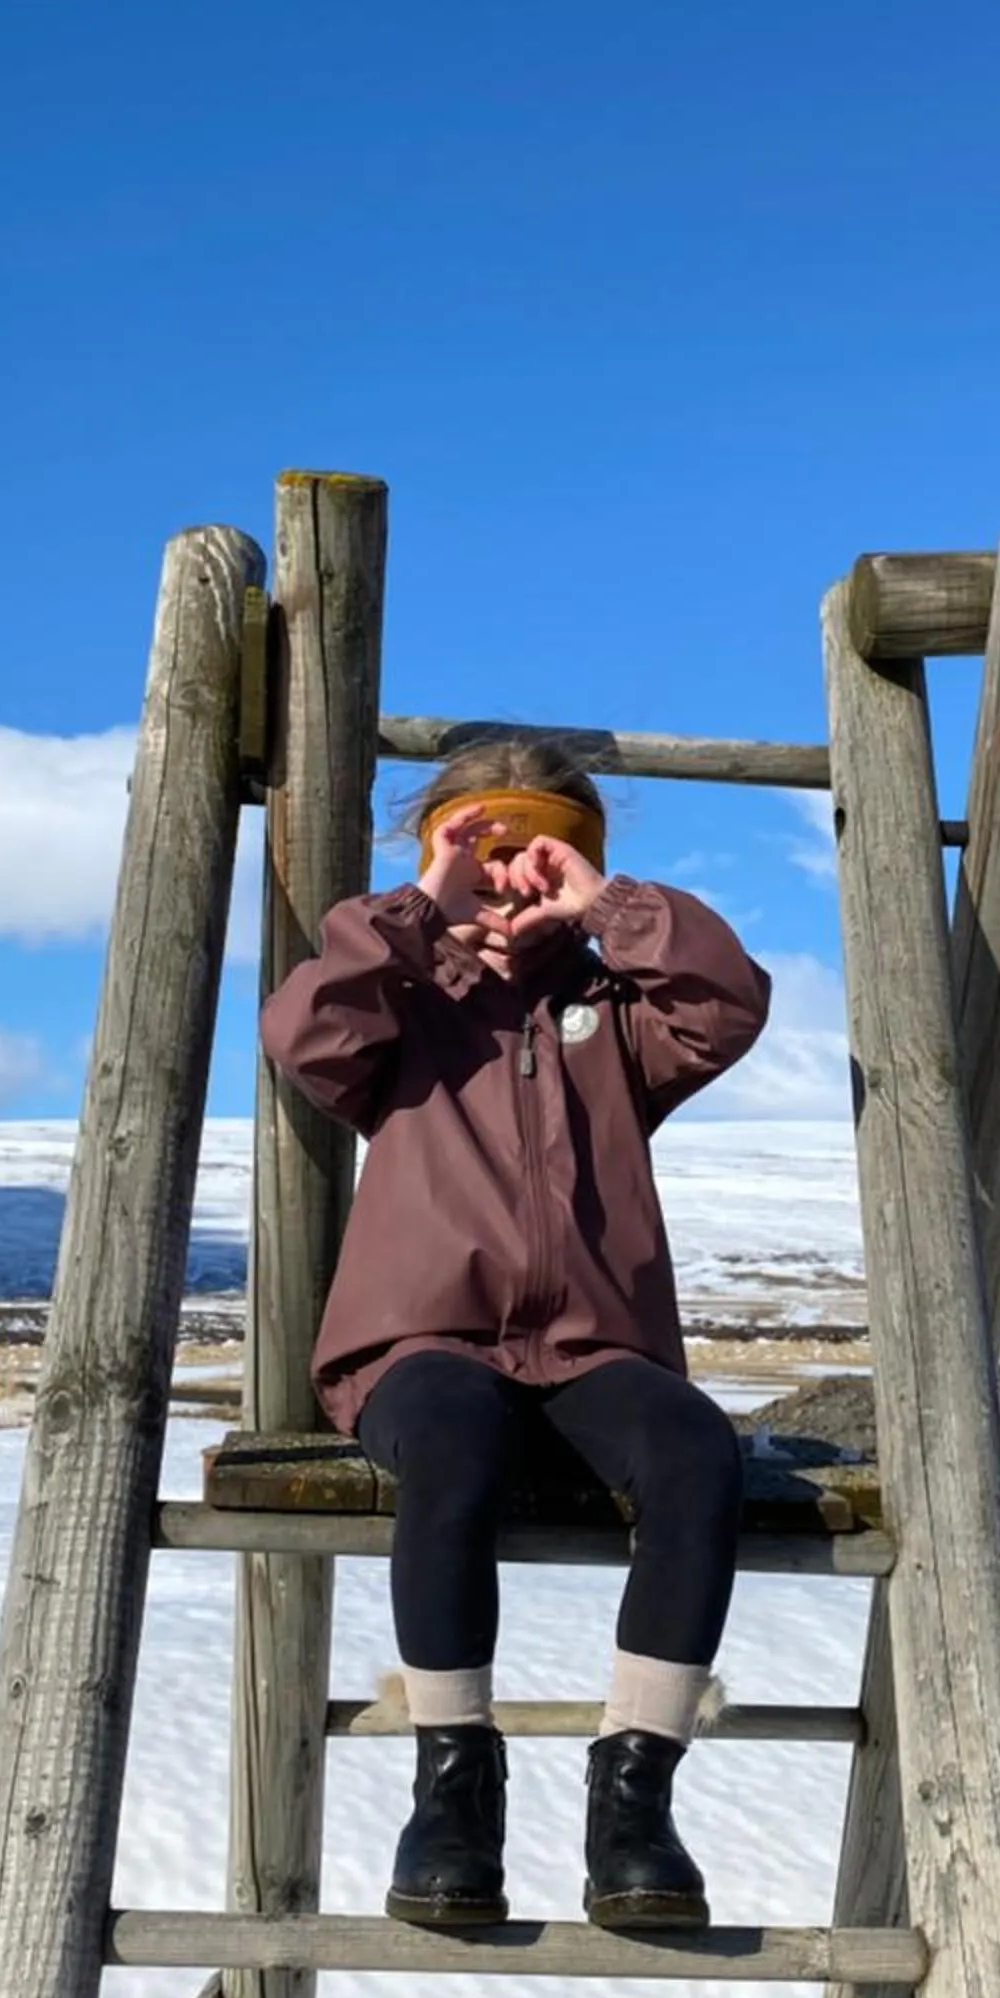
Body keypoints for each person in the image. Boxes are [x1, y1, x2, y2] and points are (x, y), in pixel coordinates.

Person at [258, 736, 771, 1932]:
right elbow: (305, 1033)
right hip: (421, 1345)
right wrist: (413, 910)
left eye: (537, 850)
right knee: (449, 1444)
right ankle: (453, 1791)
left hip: (597, 1350)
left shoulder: (616, 1010)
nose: (505, 877)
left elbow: (728, 1004)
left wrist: (613, 909)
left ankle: (635, 1799)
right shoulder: (400, 1003)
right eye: (477, 850)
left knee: (699, 1454)